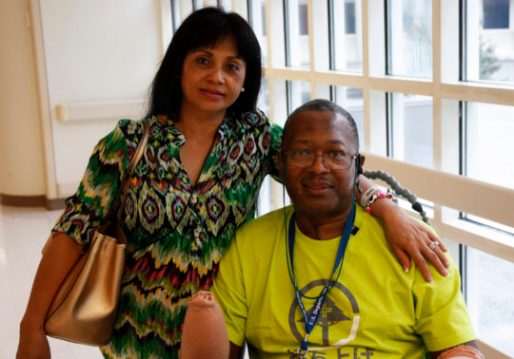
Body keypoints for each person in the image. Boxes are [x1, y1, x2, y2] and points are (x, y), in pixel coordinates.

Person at [16, 8, 447, 359]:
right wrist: (30, 327)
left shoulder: (255, 138)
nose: (216, 77)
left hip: (223, 331)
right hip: (136, 335)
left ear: (245, 81)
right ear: (179, 67)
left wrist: (386, 208)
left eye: (232, 66)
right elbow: (71, 233)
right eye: (203, 60)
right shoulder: (128, 143)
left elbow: (324, 170)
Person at [189, 99, 482, 358]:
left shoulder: (411, 240)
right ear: (280, 162)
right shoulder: (250, 245)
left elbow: (459, 348)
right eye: (302, 153)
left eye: (336, 154)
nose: (318, 167)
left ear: (358, 165)